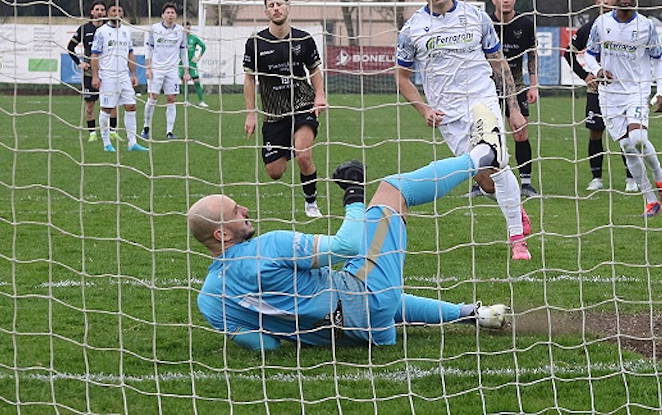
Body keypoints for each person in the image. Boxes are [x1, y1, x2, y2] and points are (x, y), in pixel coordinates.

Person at [188, 103, 512, 351]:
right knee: (392, 190)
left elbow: (267, 345)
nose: (244, 208)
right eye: (234, 210)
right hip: (367, 302)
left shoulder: (209, 300)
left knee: (363, 284)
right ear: (222, 233)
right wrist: (354, 193)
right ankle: (485, 152)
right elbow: (347, 245)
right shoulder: (268, 246)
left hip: (349, 335)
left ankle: (470, 314)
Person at [396, 0, 532, 260]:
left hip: (482, 102)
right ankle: (516, 208)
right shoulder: (412, 30)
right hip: (448, 115)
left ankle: (517, 240)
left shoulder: (476, 16)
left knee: (497, 162)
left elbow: (499, 62)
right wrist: (424, 110)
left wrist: (513, 109)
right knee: (484, 178)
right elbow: (402, 78)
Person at [582, 0, 662, 216]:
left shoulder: (646, 26)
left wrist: (660, 92)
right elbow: (589, 55)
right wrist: (597, 70)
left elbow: (658, 59)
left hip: (637, 90)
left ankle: (661, 178)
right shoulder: (601, 24)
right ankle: (651, 201)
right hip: (609, 95)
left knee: (638, 139)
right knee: (627, 147)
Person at [244, 0, 328, 218]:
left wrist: (319, 95)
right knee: (275, 172)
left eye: (279, 4)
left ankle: (311, 203)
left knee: (303, 155)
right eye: (271, 5)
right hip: (273, 113)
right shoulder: (255, 43)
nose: (276, 8)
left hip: (303, 103)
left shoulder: (304, 39)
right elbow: (250, 79)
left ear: (288, 8)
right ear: (266, 12)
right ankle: (290, 144)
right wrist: (250, 114)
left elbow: (315, 70)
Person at [565, 0, 636, 192]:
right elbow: (567, 53)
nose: (605, 2)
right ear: (596, 2)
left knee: (626, 134)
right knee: (595, 132)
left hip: (622, 90)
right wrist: (586, 75)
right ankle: (597, 178)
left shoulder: (628, 26)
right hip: (597, 91)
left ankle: (631, 178)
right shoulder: (591, 27)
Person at [489, 0, 539, 198]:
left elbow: (532, 54)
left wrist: (534, 85)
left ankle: (526, 182)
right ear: (494, 0)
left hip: (517, 85)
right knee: (484, 135)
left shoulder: (526, 24)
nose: (505, 0)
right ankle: (481, 183)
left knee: (520, 132)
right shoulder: (486, 23)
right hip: (487, 87)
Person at [90, 4, 149, 153]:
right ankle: (106, 143)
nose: (117, 14)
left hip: (124, 75)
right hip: (108, 75)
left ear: (123, 14)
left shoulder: (126, 32)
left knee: (131, 106)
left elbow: (130, 53)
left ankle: (132, 143)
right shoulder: (101, 32)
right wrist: (95, 76)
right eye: (113, 11)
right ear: (108, 14)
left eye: (120, 11)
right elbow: (95, 55)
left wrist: (133, 74)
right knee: (107, 108)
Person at [67, 0, 118, 142]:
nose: (100, 12)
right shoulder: (84, 29)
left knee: (111, 103)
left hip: (108, 71)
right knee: (90, 104)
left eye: (102, 9)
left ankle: (113, 131)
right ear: (92, 11)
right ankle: (92, 133)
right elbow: (70, 47)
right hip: (90, 73)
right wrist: (79, 63)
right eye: (97, 9)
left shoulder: (112, 28)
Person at [141, 3, 187, 140]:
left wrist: (186, 71)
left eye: (173, 12)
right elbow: (148, 49)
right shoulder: (154, 29)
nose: (170, 15)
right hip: (157, 69)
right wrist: (148, 67)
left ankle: (169, 131)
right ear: (163, 15)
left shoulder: (180, 30)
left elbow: (183, 51)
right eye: (168, 12)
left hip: (172, 70)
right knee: (152, 98)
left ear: (176, 15)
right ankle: (146, 127)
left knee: (171, 99)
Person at [183, 22, 208, 108]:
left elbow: (203, 47)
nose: (187, 30)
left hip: (192, 63)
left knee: (196, 82)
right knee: (184, 83)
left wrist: (198, 57)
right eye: (186, 28)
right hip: (182, 64)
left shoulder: (193, 38)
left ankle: (201, 101)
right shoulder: (179, 39)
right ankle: (186, 101)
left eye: (189, 28)